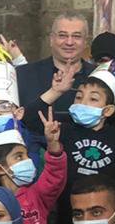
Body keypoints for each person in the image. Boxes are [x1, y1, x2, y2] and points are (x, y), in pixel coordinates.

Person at [54, 67, 115, 224]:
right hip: (64, 216)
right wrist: (56, 91)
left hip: (103, 221)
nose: (83, 103)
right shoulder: (63, 131)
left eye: (93, 99)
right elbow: (29, 119)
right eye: (79, 97)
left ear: (107, 110)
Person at [18, 12, 93, 141]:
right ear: (51, 39)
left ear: (85, 42)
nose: (69, 42)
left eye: (76, 36)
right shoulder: (24, 74)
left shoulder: (98, 76)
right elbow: (18, 120)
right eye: (62, 35)